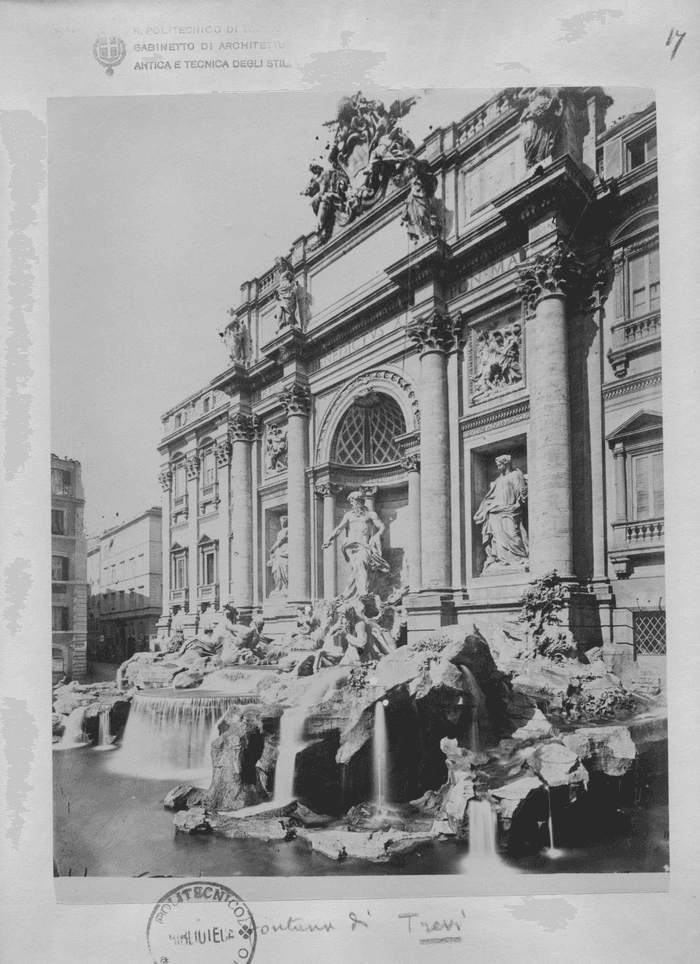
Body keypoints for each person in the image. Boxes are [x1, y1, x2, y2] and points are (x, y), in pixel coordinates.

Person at [323, 491, 390, 599]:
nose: (351, 503)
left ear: (360, 501)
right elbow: (339, 528)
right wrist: (329, 539)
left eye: (353, 501)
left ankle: (350, 592)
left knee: (359, 565)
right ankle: (362, 591)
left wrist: (376, 536)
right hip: (350, 545)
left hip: (363, 544)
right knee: (358, 564)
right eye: (351, 501)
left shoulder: (371, 514)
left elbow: (382, 527)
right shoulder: (348, 515)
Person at [474, 455, 529, 572]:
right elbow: (491, 497)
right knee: (497, 538)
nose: (498, 466)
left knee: (512, 533)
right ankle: (501, 560)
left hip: (510, 509)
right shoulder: (498, 480)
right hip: (494, 512)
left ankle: (520, 558)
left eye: (500, 464)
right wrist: (483, 510)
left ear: (506, 463)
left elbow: (522, 494)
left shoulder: (515, 475)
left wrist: (522, 485)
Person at [267, 516, 289, 595]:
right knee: (276, 570)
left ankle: (286, 587)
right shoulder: (280, 532)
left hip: (285, 550)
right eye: (282, 520)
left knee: (284, 568)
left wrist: (272, 549)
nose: (283, 522)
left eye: (285, 520)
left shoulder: (287, 530)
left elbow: (280, 540)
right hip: (279, 551)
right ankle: (279, 587)